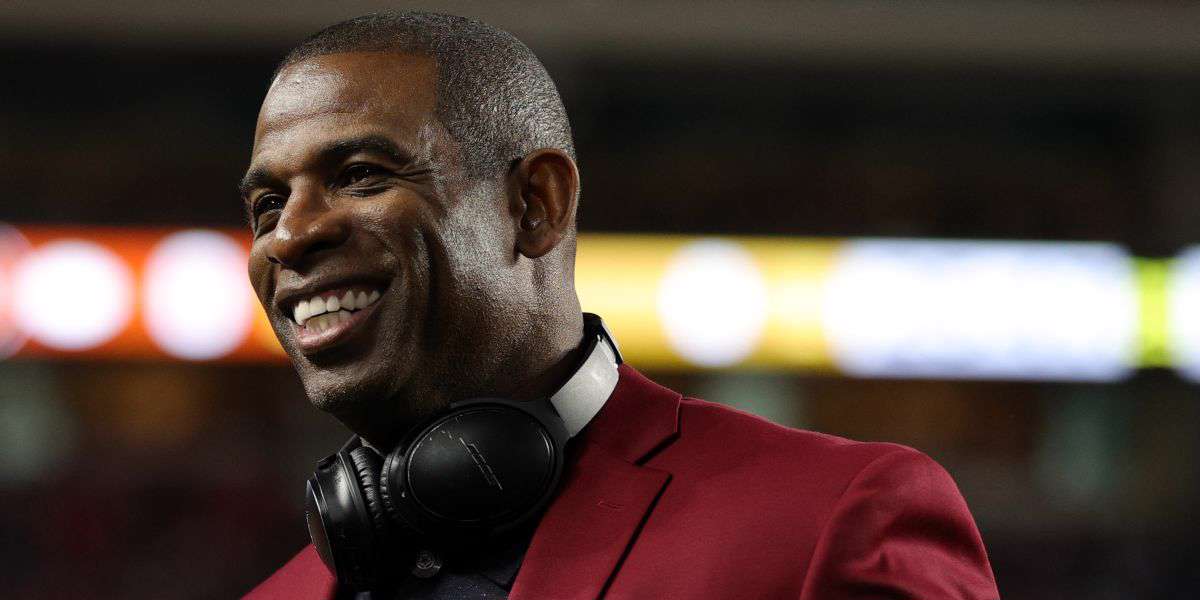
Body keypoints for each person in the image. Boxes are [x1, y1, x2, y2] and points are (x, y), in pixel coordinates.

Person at [240, 11, 1000, 600]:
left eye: (362, 174)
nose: (290, 236)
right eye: (268, 205)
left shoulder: (832, 519)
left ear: (535, 204)